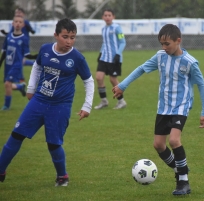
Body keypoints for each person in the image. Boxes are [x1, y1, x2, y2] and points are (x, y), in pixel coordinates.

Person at [113, 24, 204, 195]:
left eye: (167, 44)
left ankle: (183, 181)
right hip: (163, 107)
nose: (164, 48)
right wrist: (122, 85)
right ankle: (180, 169)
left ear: (178, 41)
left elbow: (201, 85)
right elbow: (141, 69)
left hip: (181, 106)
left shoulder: (190, 62)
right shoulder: (160, 57)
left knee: (174, 140)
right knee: (158, 145)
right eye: (161, 44)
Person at [0, 18, 94, 186]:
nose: (69, 41)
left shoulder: (77, 58)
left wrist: (87, 106)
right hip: (39, 101)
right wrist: (30, 88)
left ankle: (62, 176)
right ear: (56, 35)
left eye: (73, 37)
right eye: (65, 36)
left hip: (60, 106)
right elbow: (37, 67)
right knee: (16, 135)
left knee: (53, 144)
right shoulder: (45, 50)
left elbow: (88, 81)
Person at [0, 15, 37, 110]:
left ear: (23, 25)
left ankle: (6, 106)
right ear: (12, 23)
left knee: (7, 83)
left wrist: (36, 56)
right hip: (7, 65)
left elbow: (27, 54)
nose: (17, 23)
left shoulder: (24, 39)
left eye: (20, 22)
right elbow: (4, 51)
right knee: (7, 85)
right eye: (16, 21)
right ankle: (20, 87)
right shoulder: (8, 36)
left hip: (17, 65)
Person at [94, 8, 127, 110]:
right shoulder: (103, 29)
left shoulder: (117, 28)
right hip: (104, 57)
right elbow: (105, 43)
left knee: (113, 80)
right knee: (99, 77)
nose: (107, 17)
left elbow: (122, 42)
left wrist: (118, 54)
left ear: (113, 17)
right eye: (105, 15)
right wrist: (100, 53)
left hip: (114, 59)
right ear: (102, 17)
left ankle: (121, 101)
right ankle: (104, 101)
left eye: (109, 15)